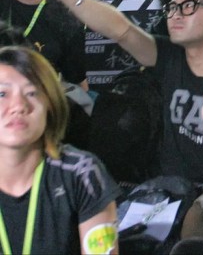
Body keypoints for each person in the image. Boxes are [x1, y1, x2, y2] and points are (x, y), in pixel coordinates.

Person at [26, 0, 203, 239]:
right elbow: (121, 29)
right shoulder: (169, 56)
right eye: (171, 8)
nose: (175, 15)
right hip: (164, 192)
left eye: (187, 6)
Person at [0, 45, 119, 253]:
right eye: (2, 93)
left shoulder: (82, 173)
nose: (18, 105)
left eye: (32, 92)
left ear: (51, 104)